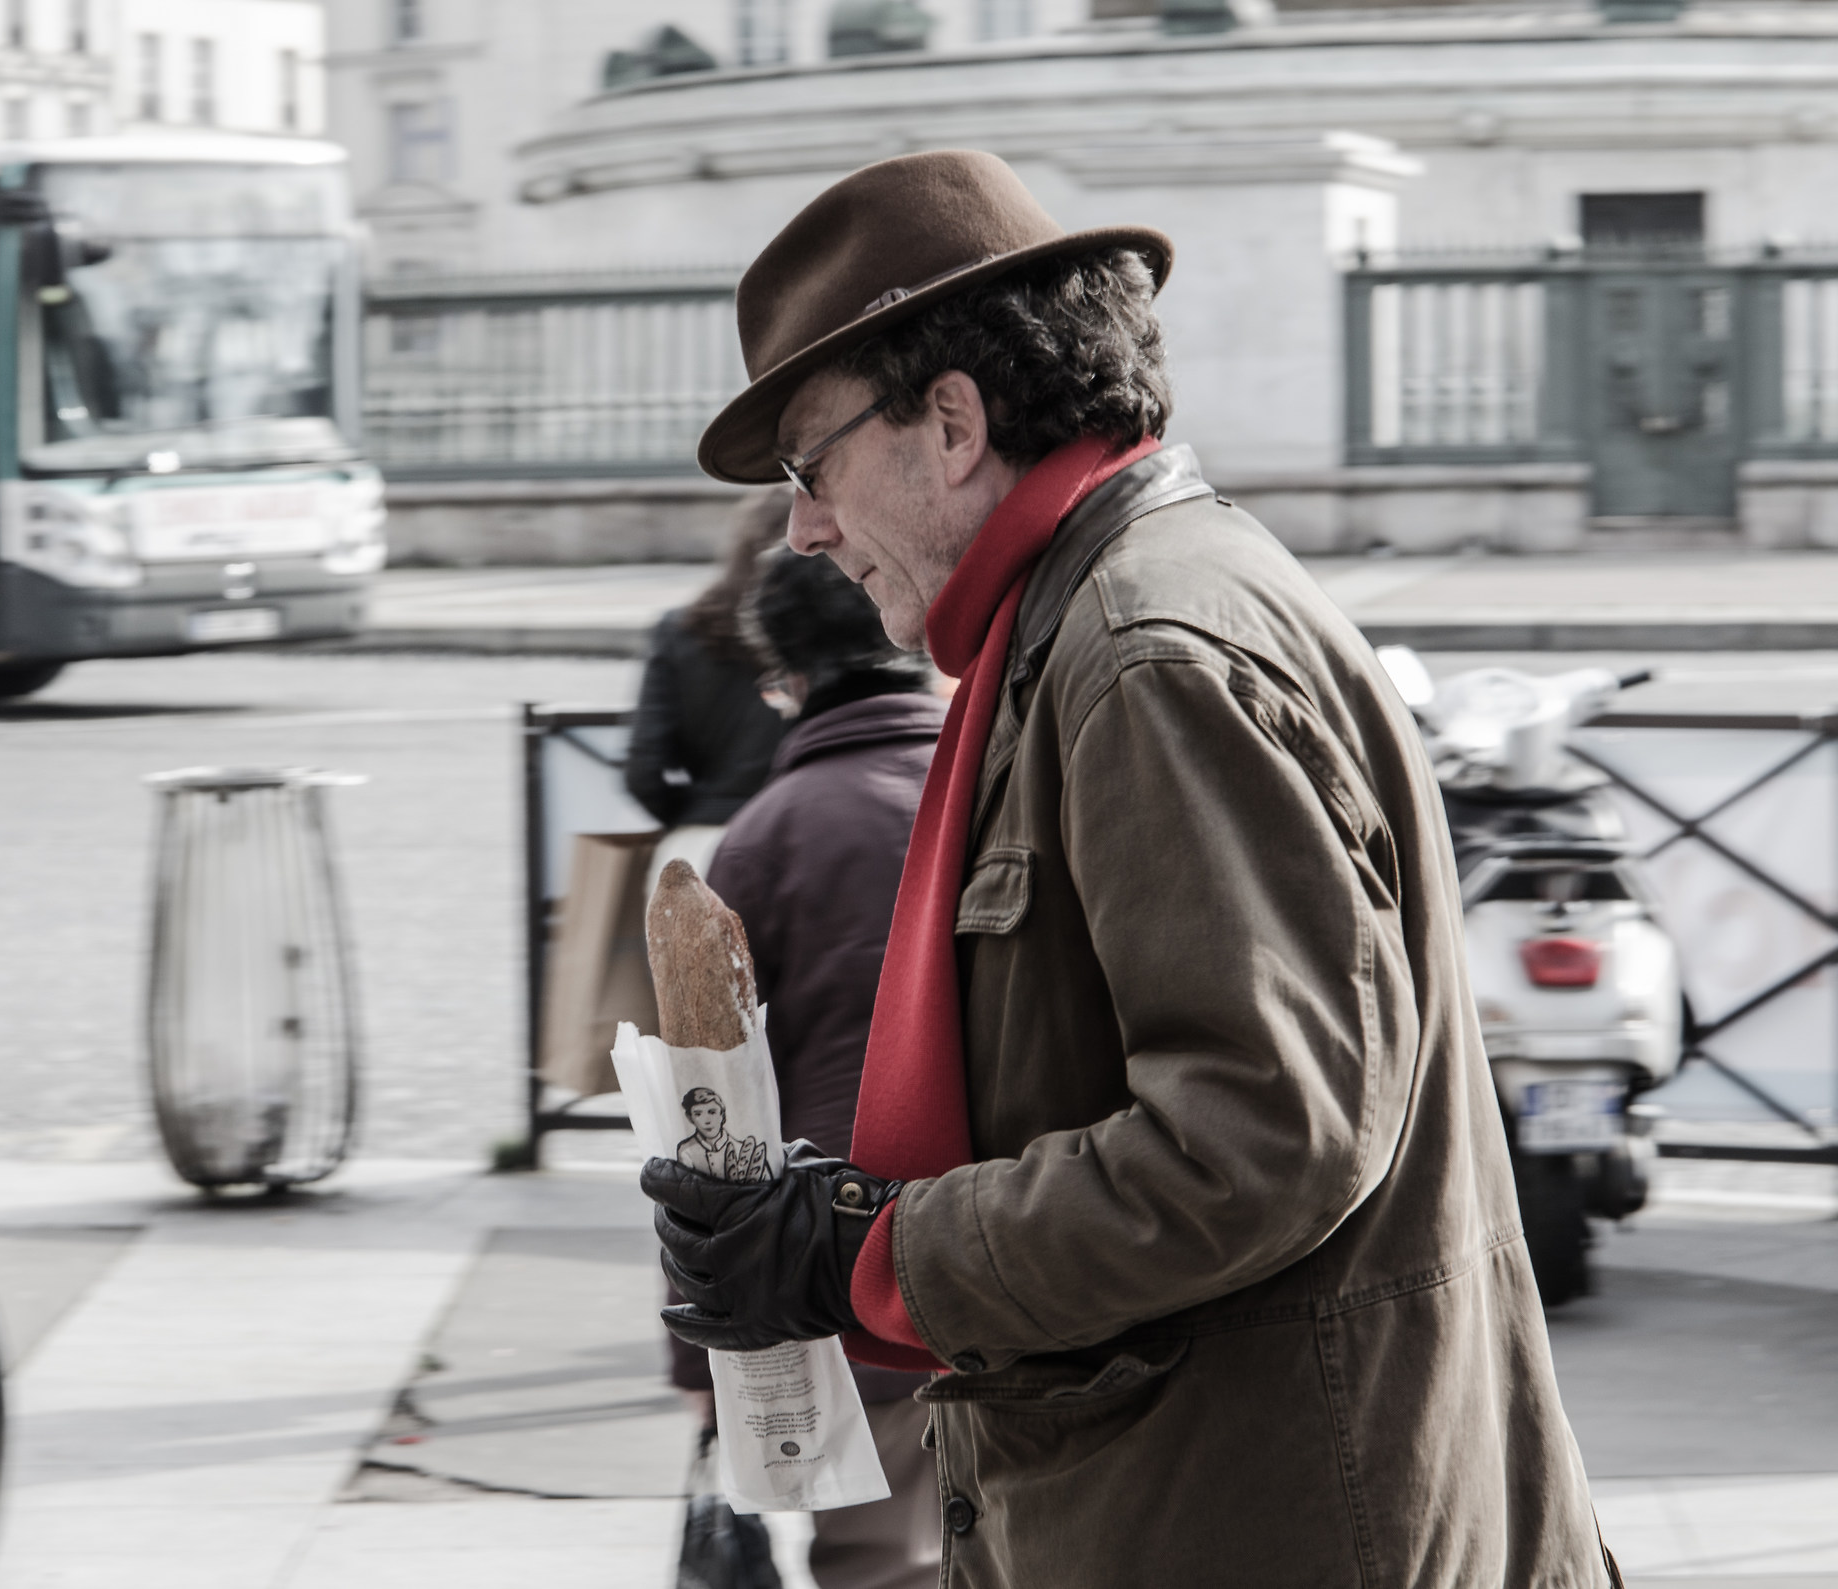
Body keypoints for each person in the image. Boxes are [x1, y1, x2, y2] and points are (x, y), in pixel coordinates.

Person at [640, 150, 1615, 1585]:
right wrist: (845, 1219)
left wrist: (871, 1251)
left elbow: (1260, 1140)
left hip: (1264, 1523)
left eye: (811, 463)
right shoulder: (1099, 618)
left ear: (951, 422)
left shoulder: (1146, 654)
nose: (804, 528)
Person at [703, 546, 947, 1589]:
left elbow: (709, 1124)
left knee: (880, 1561)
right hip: (1041, 1257)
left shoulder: (765, 838)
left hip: (855, 1279)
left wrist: (698, 1347)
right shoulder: (1006, 778)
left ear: (790, 678)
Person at [623, 490, 791, 889]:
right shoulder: (818, 634)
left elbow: (643, 769)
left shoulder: (680, 631)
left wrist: (698, 811)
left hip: (700, 849)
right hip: (794, 841)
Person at [672, 1087, 771, 1182]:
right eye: (698, 1114)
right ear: (690, 1118)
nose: (707, 1121)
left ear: (722, 1115)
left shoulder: (742, 1150)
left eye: (712, 1112)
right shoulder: (686, 1151)